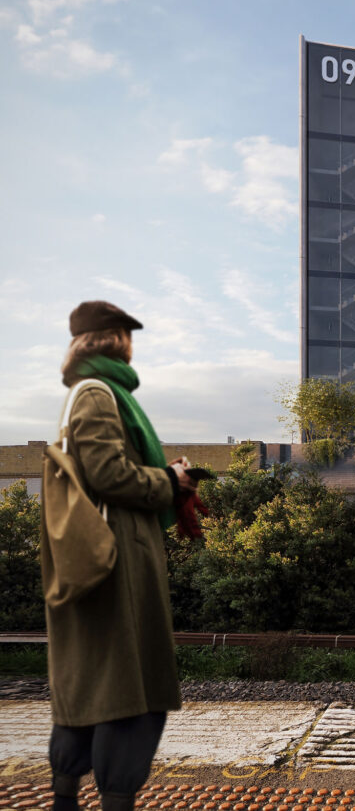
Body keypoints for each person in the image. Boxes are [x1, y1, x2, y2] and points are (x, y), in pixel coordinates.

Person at [45, 301, 197, 811]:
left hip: (94, 560)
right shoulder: (98, 394)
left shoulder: (81, 395)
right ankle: (114, 801)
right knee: (132, 691)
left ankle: (67, 794)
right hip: (117, 563)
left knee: (90, 686)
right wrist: (169, 481)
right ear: (114, 341)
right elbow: (108, 474)